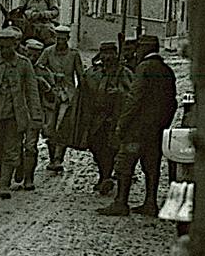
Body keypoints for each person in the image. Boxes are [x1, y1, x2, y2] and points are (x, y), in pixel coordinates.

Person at [97, 34, 178, 217]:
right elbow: (172, 103)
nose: (136, 51)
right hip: (156, 129)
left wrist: (122, 123)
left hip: (137, 129)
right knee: (151, 166)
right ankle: (150, 203)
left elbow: (134, 99)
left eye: (139, 47)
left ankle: (120, 203)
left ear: (145, 48)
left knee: (125, 164)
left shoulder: (144, 68)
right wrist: (163, 124)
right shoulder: (167, 70)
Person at [0, 26, 42, 199]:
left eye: (8, 46)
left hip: (15, 116)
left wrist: (35, 116)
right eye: (2, 46)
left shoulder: (24, 64)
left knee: (11, 150)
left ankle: (4, 183)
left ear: (15, 45)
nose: (4, 50)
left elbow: (32, 91)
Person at [84, 41, 134, 195]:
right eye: (104, 54)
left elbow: (131, 95)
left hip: (114, 118)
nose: (107, 57)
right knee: (96, 147)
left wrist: (119, 93)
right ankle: (103, 174)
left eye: (110, 54)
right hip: (96, 118)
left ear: (115, 54)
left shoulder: (124, 73)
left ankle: (106, 177)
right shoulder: (94, 72)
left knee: (111, 148)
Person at [36, 24, 84, 173]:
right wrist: (50, 76)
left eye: (63, 39)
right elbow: (39, 68)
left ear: (68, 39)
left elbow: (80, 75)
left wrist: (81, 93)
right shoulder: (48, 52)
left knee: (62, 126)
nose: (60, 42)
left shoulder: (74, 54)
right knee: (50, 126)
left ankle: (58, 159)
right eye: (58, 39)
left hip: (68, 96)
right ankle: (52, 158)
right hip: (51, 94)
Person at [18, 37, 54, 190]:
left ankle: (28, 178)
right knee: (14, 146)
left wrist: (45, 87)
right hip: (16, 112)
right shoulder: (17, 67)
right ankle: (19, 167)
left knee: (31, 146)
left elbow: (53, 97)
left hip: (34, 113)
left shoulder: (44, 72)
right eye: (29, 54)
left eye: (35, 55)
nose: (32, 58)